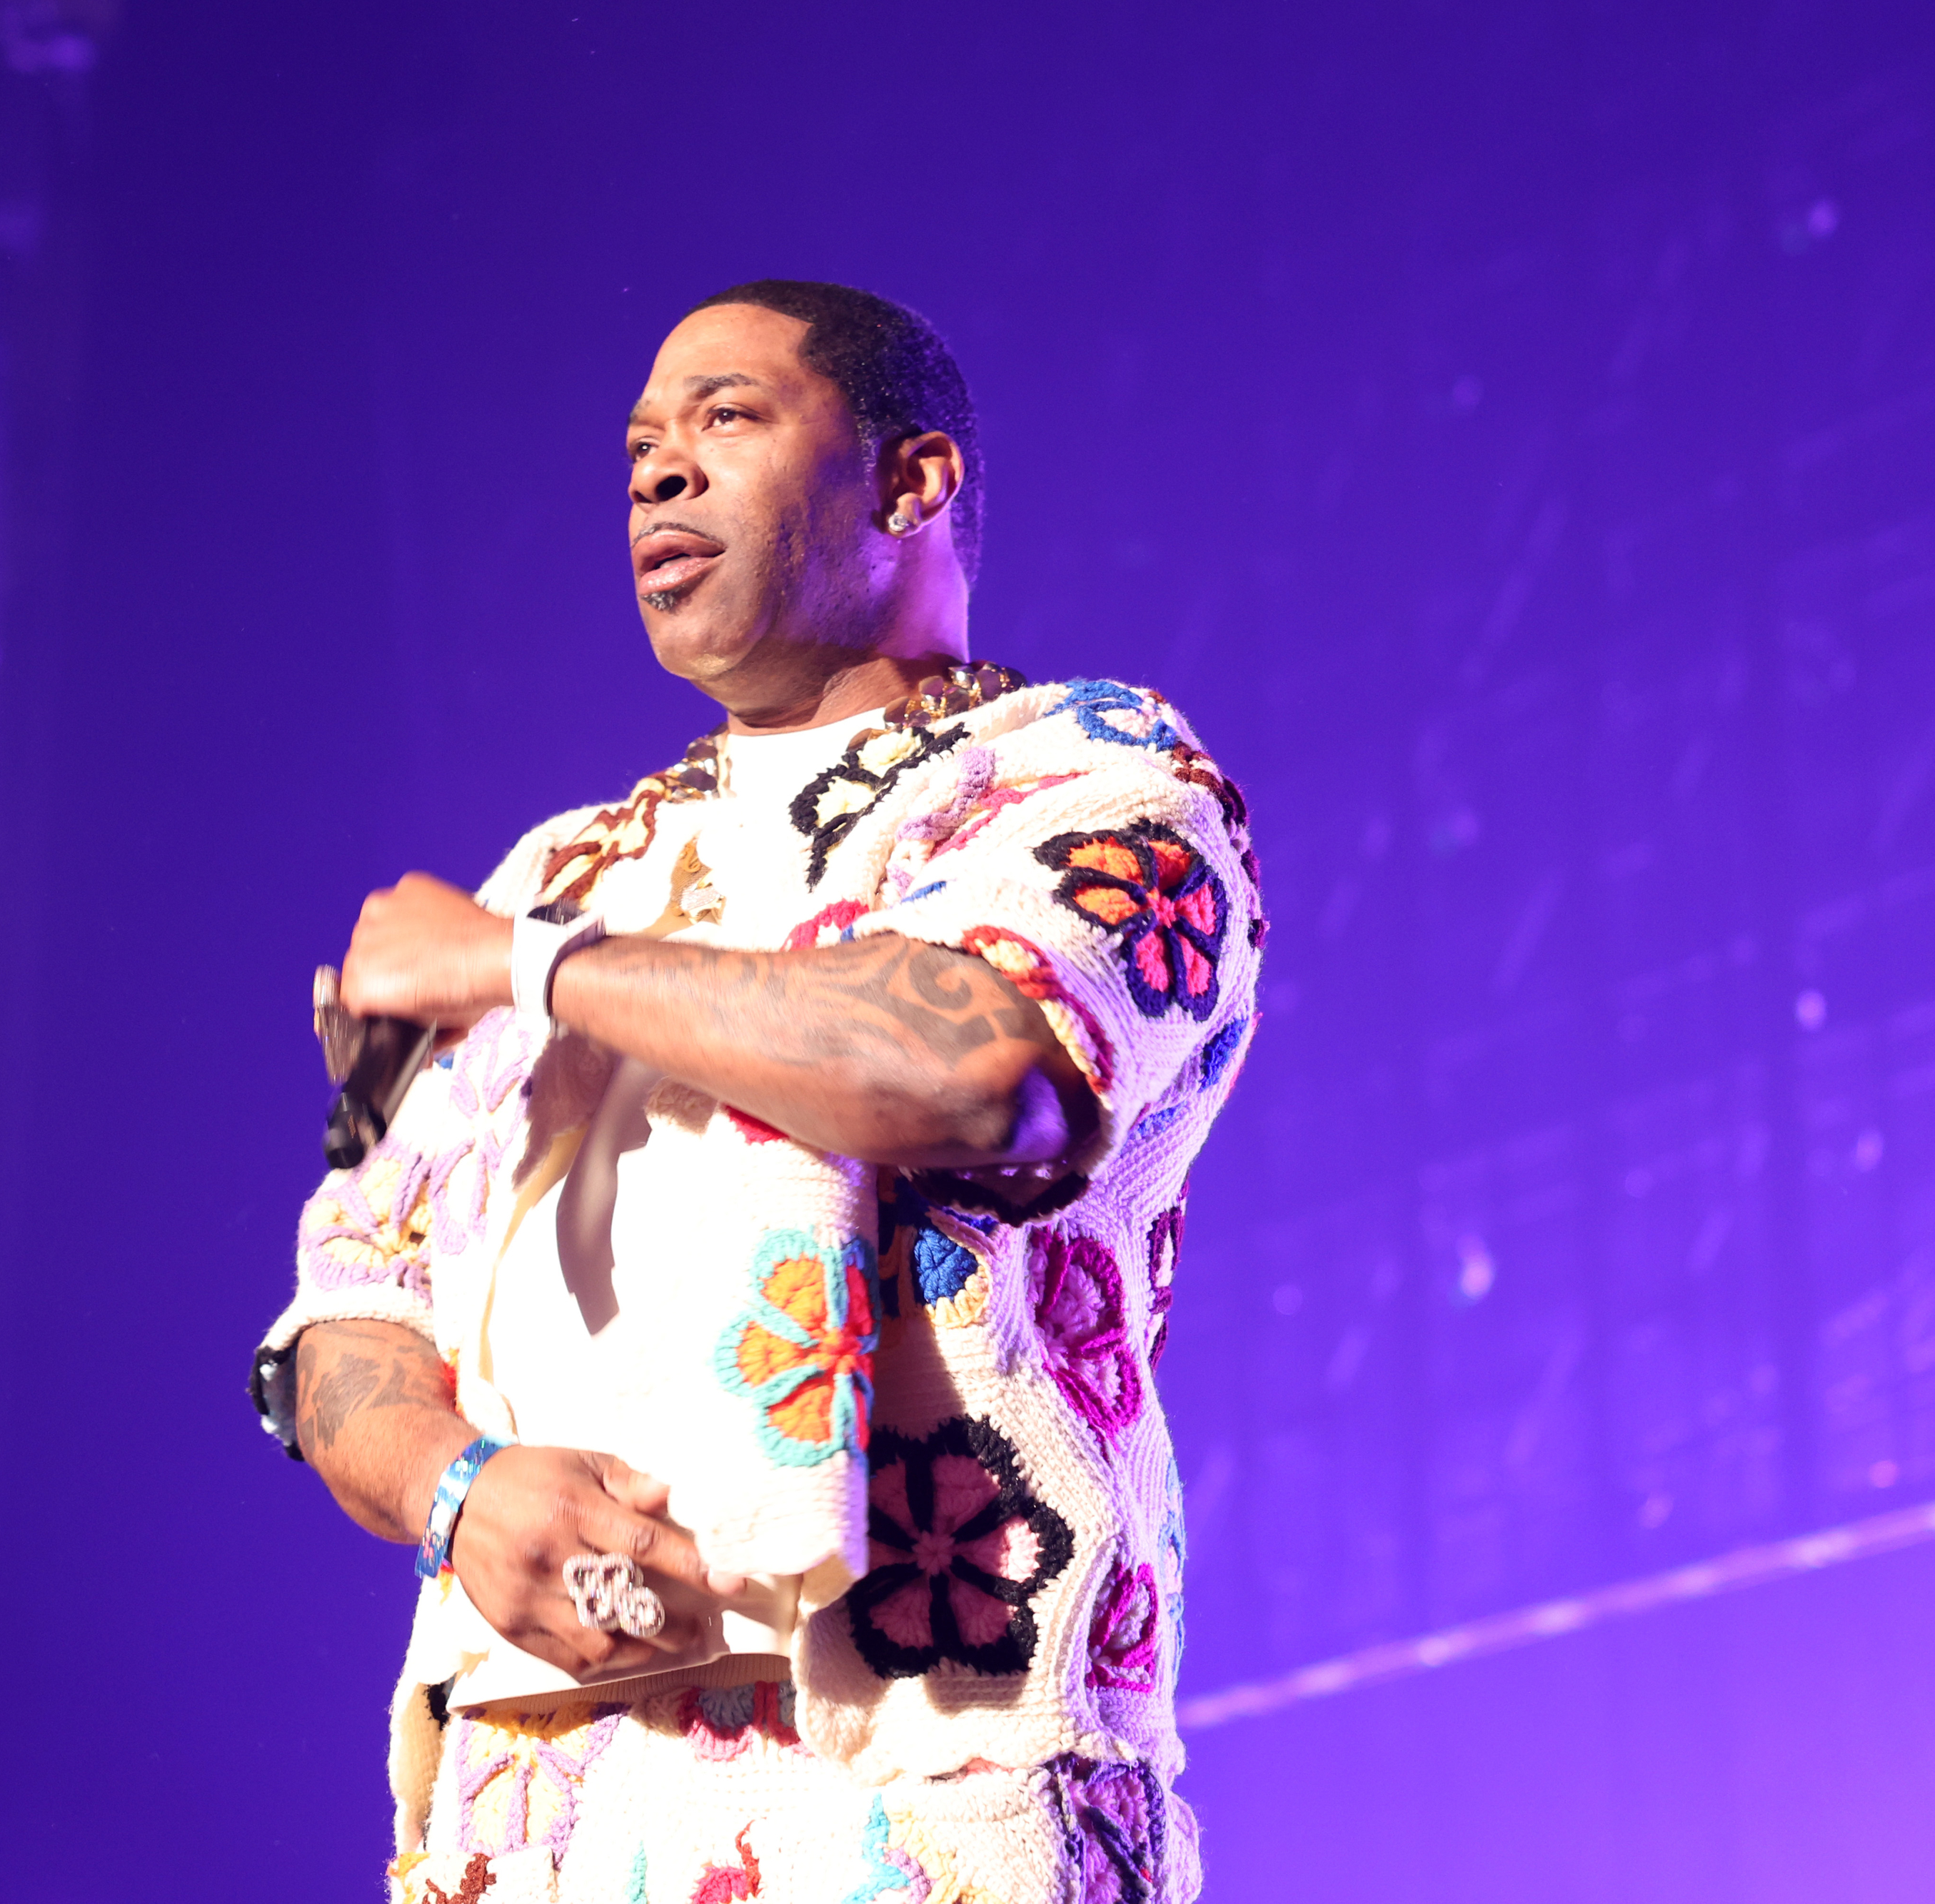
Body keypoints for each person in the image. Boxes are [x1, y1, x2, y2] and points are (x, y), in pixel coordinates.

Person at [253, 279, 1262, 1904]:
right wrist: (457, 1489)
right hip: (540, 1801)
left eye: (722, 418)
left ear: (908, 481)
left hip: (934, 1768)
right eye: (638, 446)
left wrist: (525, 966)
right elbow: (342, 1302)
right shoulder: (564, 864)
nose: (654, 473)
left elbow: (972, 1068)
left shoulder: (1091, 774)